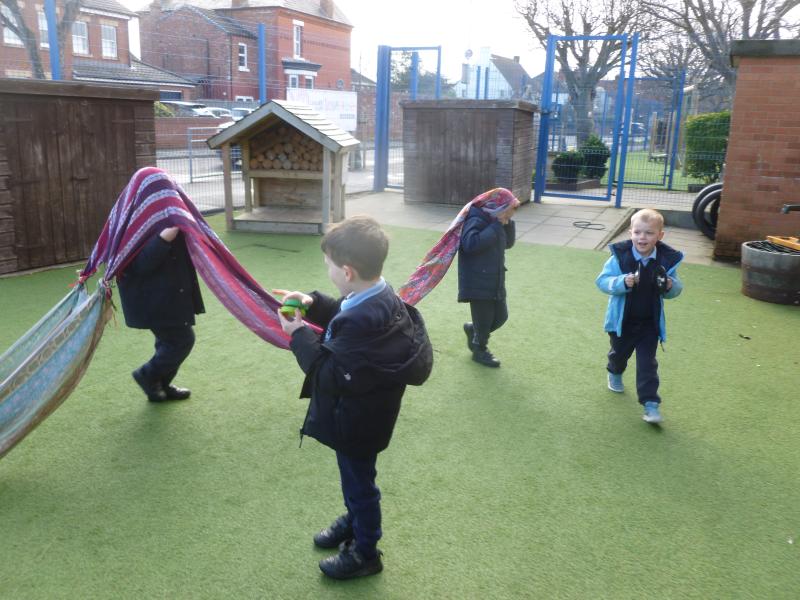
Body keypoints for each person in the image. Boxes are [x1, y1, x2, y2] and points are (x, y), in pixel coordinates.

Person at [275, 215, 432, 580]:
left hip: (357, 422)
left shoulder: (360, 319)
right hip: (370, 413)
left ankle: (365, 552)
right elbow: (343, 313)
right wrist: (313, 302)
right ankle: (355, 519)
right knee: (355, 478)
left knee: (360, 485)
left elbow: (326, 373)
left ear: (347, 272)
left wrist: (297, 333)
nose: (326, 269)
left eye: (328, 265)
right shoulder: (379, 295)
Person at [595, 209, 683, 424]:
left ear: (660, 236)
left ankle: (651, 404)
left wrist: (670, 286)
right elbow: (602, 281)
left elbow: (675, 289)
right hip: (622, 322)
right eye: (637, 232)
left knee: (647, 364)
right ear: (630, 233)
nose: (642, 238)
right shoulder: (620, 257)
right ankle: (614, 371)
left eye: (649, 233)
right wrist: (621, 282)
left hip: (649, 324)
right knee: (619, 354)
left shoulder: (665, 261)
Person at [117, 226, 205, 403]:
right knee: (182, 340)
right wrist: (162, 239)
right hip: (152, 299)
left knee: (167, 342)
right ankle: (148, 375)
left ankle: (160, 385)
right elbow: (138, 265)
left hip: (169, 295)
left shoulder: (164, 217)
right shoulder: (133, 223)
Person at [458, 194, 518, 367]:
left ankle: (473, 329)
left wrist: (507, 223)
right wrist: (496, 225)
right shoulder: (476, 218)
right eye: (507, 213)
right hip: (477, 281)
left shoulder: (496, 221)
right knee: (484, 321)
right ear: (498, 208)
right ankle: (479, 351)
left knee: (501, 317)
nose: (508, 217)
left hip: (495, 278)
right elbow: (470, 244)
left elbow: (508, 243)